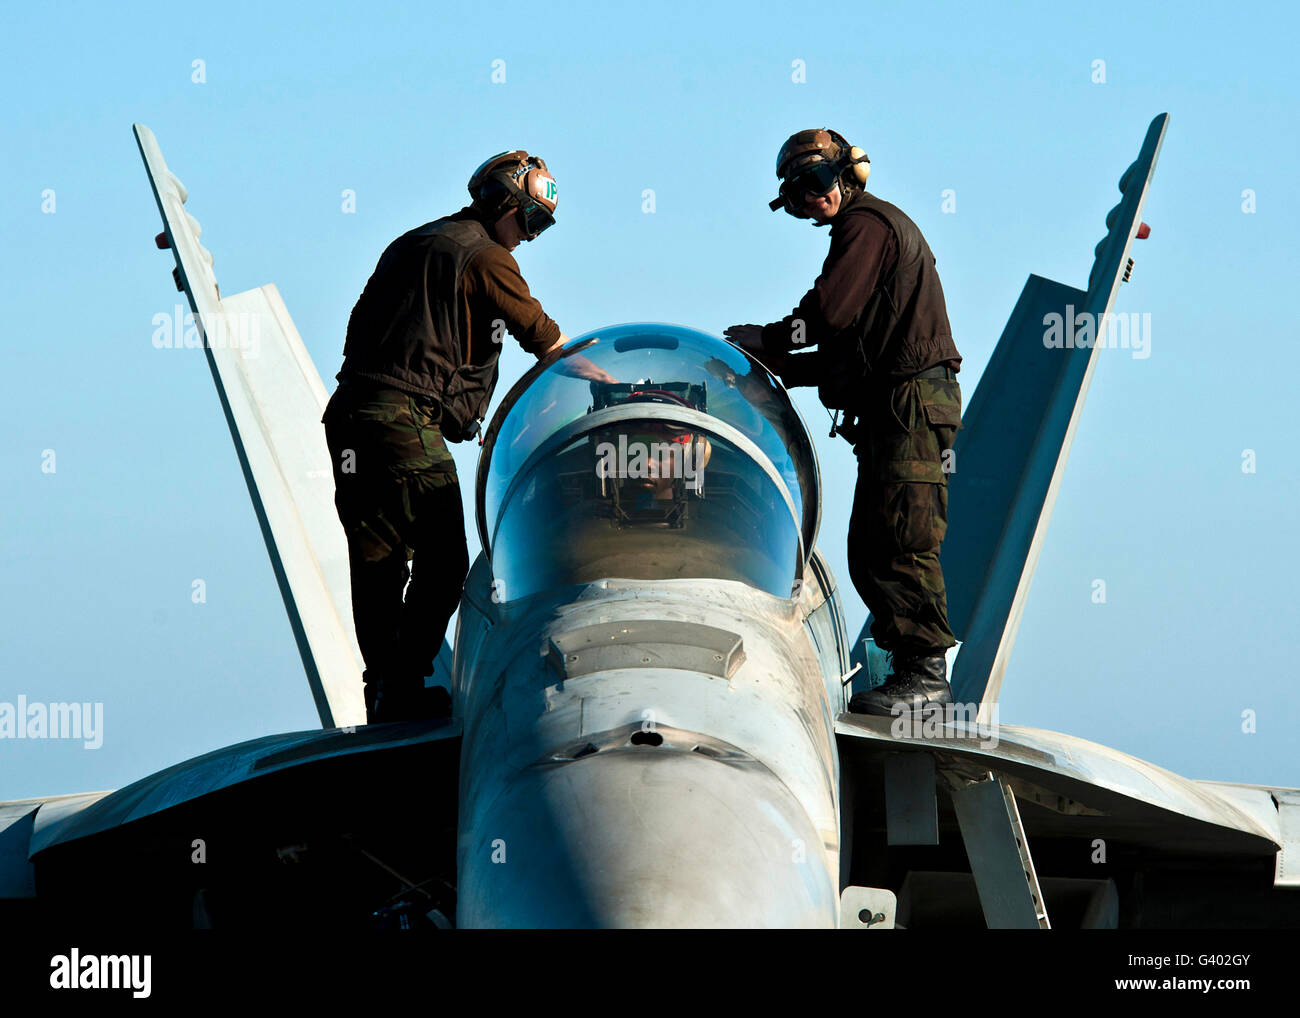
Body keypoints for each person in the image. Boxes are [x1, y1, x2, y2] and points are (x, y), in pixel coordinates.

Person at [322, 150, 609, 723]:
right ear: (504, 202)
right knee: (446, 560)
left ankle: (385, 694)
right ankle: (400, 685)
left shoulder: (414, 242)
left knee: (378, 562)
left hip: (352, 415)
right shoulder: (485, 256)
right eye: (531, 220)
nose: (531, 236)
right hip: (403, 422)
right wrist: (611, 379)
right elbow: (545, 340)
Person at [724, 128, 964, 716]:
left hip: (908, 405)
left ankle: (926, 680)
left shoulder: (867, 226)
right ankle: (908, 670)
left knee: (898, 543)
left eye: (817, 181)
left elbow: (828, 315)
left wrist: (770, 339)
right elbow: (842, 353)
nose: (812, 196)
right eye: (799, 192)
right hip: (894, 406)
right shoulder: (863, 233)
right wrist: (774, 364)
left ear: (846, 175)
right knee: (870, 546)